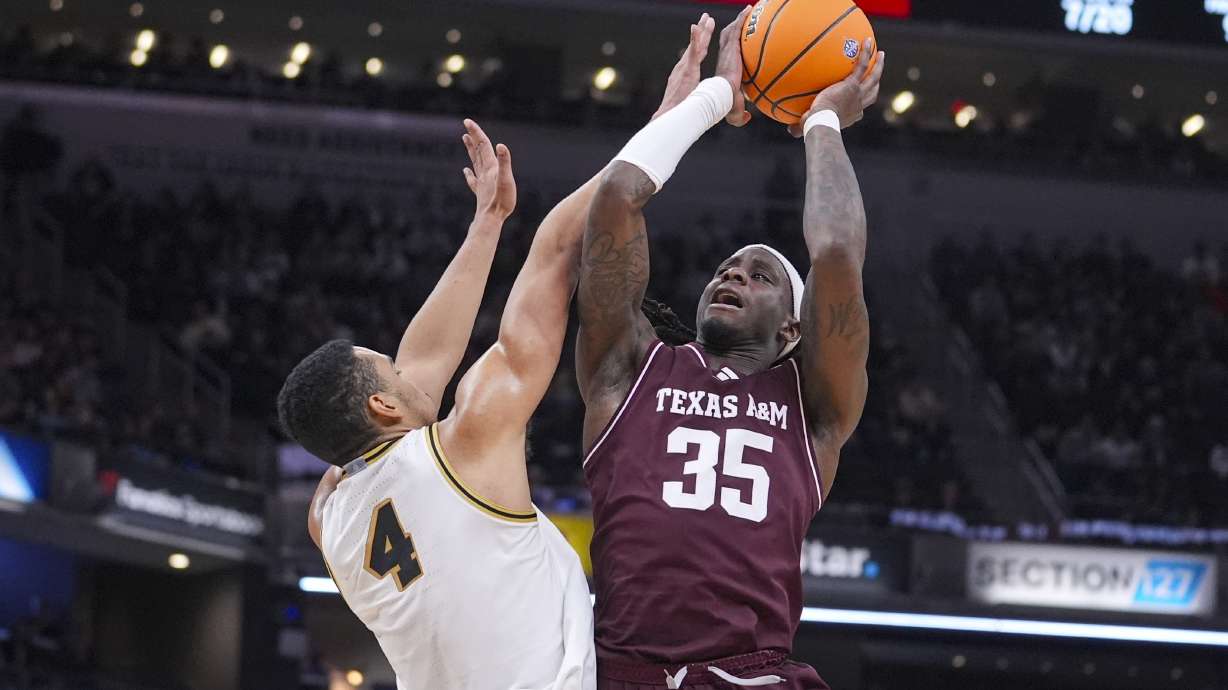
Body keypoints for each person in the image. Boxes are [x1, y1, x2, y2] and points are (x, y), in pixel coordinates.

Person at [575, 11, 883, 688]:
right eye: (726, 269)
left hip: (751, 674)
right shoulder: (630, 369)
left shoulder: (813, 406)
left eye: (760, 276)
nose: (734, 276)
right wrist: (716, 96)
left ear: (793, 330)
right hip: (621, 672)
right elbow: (618, 196)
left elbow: (835, 252)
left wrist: (823, 122)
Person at [284, 119, 597, 690]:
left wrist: (488, 222)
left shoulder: (325, 515)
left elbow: (423, 364)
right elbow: (554, 251)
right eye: (392, 367)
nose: (407, 369)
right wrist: (684, 114)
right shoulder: (456, 448)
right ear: (382, 405)